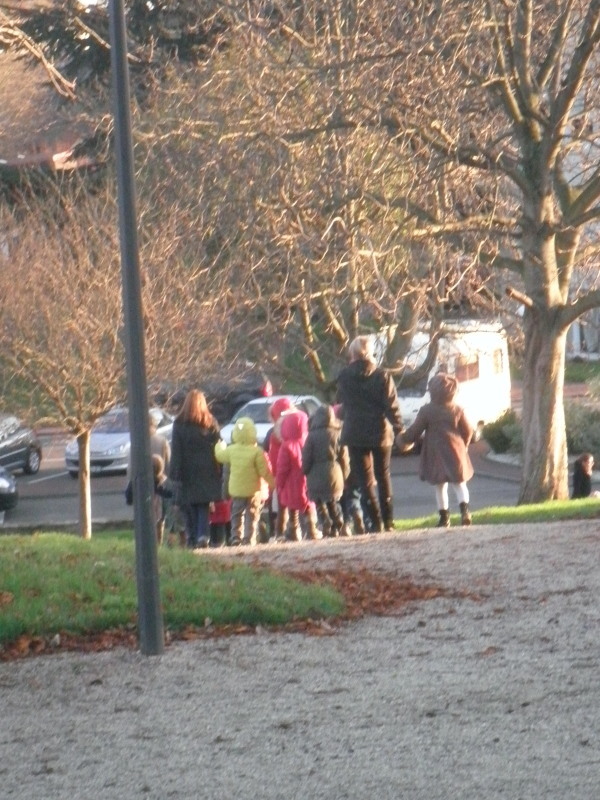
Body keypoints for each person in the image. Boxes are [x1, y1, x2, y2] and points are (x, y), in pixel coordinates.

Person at [336, 335, 403, 532]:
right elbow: (391, 406)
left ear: (353, 353)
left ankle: (375, 522)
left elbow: (341, 402)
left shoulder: (344, 376)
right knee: (383, 476)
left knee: (364, 481)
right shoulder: (382, 376)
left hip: (355, 432)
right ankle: (388, 520)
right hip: (380, 431)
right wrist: (399, 429)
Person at [397, 372, 474, 528]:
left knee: (440, 487)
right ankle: (465, 512)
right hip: (456, 451)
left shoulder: (427, 411)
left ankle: (444, 518)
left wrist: (402, 438)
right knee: (460, 484)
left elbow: (414, 432)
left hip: (435, 453)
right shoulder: (457, 409)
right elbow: (468, 430)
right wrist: (464, 445)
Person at [169, 389, 222, 549]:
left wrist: (174, 473)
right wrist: (219, 467)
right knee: (203, 505)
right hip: (207, 469)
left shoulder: (179, 424)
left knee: (190, 504)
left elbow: (176, 450)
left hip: (187, 470)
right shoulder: (210, 422)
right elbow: (219, 446)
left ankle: (193, 537)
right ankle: (202, 535)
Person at [214, 417, 275, 546]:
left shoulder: (231, 450)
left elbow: (219, 456)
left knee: (236, 513)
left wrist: (219, 445)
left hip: (237, 490)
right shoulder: (257, 452)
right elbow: (264, 471)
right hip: (254, 490)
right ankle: (249, 537)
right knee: (252, 514)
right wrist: (273, 483)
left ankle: (236, 536)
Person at [302, 404, 349, 537]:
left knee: (319, 501)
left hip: (316, 473)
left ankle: (325, 520)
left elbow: (306, 457)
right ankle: (337, 521)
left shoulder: (311, 436)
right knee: (333, 501)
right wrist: (344, 474)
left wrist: (304, 470)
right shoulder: (338, 434)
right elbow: (344, 457)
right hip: (335, 472)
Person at [277, 409, 321, 541]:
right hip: (308, 481)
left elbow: (282, 468)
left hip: (292, 484)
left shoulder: (286, 446)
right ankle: (311, 528)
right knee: (308, 506)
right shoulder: (309, 441)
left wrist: (280, 483)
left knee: (292, 509)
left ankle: (294, 530)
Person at [264, 397, 296, 540]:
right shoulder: (299, 429)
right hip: (297, 471)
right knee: (298, 501)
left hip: (278, 473)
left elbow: (269, 455)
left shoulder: (273, 434)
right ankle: (298, 528)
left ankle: (277, 532)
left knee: (278, 504)